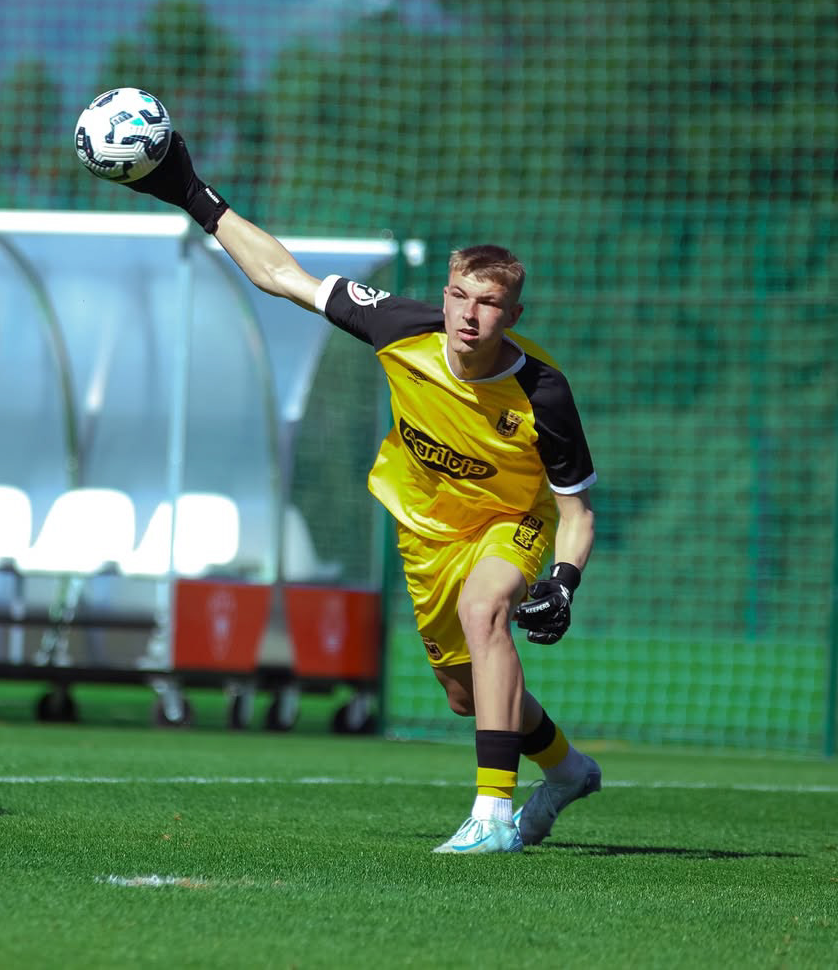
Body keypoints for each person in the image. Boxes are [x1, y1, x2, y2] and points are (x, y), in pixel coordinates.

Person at [130, 131, 601, 854]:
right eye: (460, 295)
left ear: (513, 316)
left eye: (489, 303)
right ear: (444, 294)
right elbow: (283, 276)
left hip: (512, 520)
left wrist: (563, 582)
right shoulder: (399, 327)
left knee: (485, 612)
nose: (469, 314)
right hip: (426, 530)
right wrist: (197, 198)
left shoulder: (545, 392)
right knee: (467, 694)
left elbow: (576, 511)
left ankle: (493, 814)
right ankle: (566, 770)